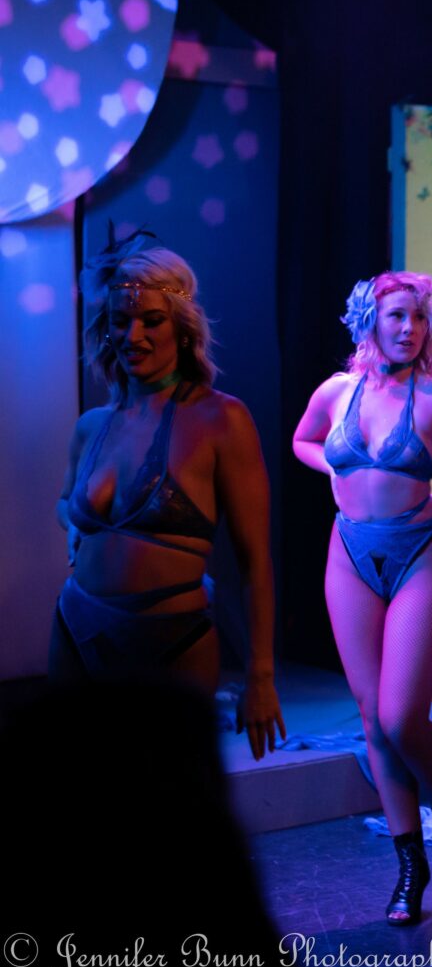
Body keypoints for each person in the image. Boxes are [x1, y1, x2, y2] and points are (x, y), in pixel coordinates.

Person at [292, 272, 432, 925]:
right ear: (368, 319)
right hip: (349, 555)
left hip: (418, 556)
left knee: (402, 718)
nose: (409, 328)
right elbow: (302, 439)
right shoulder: (335, 392)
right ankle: (409, 865)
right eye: (397, 315)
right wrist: (338, 465)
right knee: (373, 720)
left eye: (418, 318)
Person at [55, 230, 283, 760]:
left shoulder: (221, 419)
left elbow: (255, 562)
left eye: (151, 320)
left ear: (182, 328)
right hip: (76, 625)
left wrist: (261, 674)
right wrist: (71, 524)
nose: (133, 335)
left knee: (166, 796)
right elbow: (66, 501)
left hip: (172, 638)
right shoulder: (92, 425)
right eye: (120, 321)